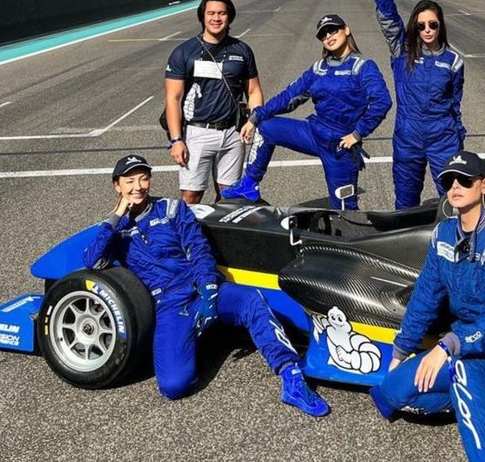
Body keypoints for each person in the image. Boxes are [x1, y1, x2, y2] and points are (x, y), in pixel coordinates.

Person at [83, 154, 329, 416]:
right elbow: (91, 260)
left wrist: (209, 291)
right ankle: (200, 336)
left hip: (201, 289)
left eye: (144, 178)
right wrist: (117, 215)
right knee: (174, 386)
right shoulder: (114, 229)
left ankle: (291, 377)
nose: (138, 186)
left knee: (250, 299)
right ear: (117, 186)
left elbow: (198, 250)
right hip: (169, 305)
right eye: (130, 181)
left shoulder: (171, 208)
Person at [369, 151, 485, 462]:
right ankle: (480, 399)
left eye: (465, 180)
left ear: (484, 185)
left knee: (463, 369)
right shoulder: (444, 234)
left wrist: (447, 346)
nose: (455, 186)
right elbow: (425, 296)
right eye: (449, 180)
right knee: (389, 392)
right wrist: (400, 351)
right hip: (463, 341)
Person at [221, 14, 391, 210]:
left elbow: (382, 101)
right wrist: (255, 116)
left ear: (346, 30)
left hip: (340, 146)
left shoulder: (362, 66)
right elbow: (290, 96)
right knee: (266, 126)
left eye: (333, 30)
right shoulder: (318, 68)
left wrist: (358, 133)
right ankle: (249, 184)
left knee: (345, 210)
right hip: (313, 133)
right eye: (323, 34)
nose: (328, 36)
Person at [369, 0, 466, 210]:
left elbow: (454, 104)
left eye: (433, 24)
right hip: (407, 138)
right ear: (415, 25)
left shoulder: (454, 61)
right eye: (421, 24)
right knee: (405, 204)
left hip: (443, 138)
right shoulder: (403, 50)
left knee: (453, 204)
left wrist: (458, 143)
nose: (427, 29)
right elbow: (388, 17)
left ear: (440, 25)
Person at [165, 0, 263, 205]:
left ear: (229, 17)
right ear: (202, 16)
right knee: (191, 196)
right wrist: (176, 140)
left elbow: (254, 91)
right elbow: (173, 98)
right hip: (197, 133)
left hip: (232, 134)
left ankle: (219, 238)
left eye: (222, 13)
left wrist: (253, 121)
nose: (216, 18)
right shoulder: (184, 52)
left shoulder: (242, 50)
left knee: (228, 196)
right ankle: (190, 238)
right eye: (211, 13)